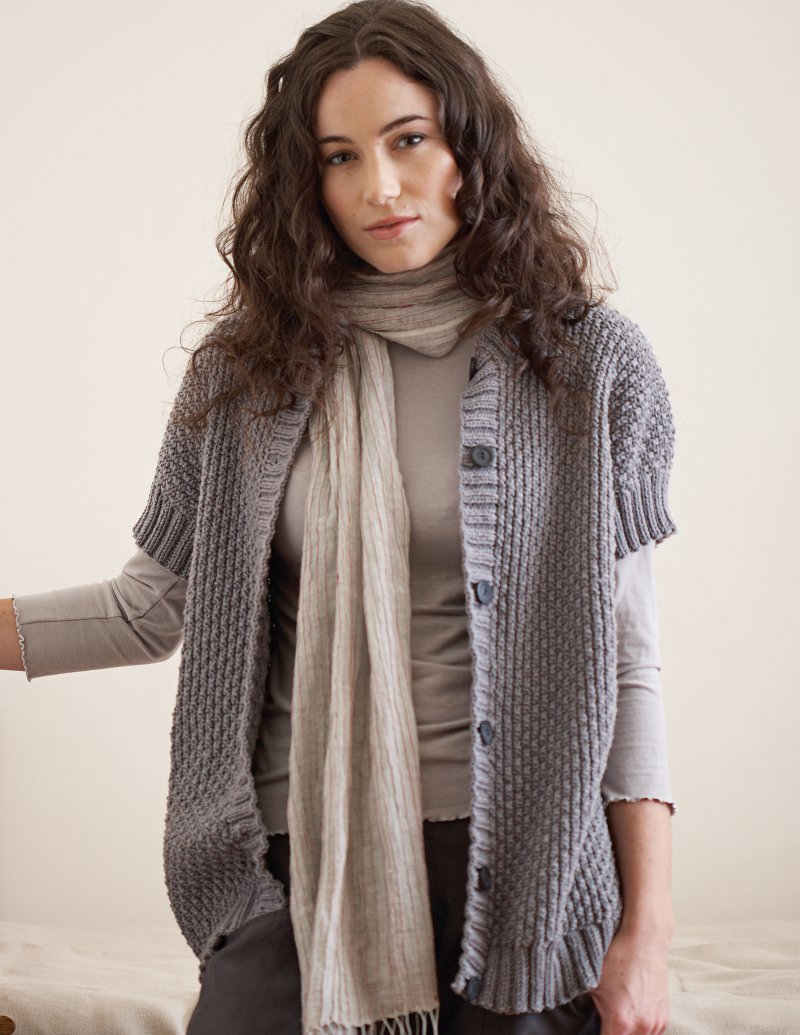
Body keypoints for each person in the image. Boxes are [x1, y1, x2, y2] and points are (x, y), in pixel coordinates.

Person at [0, 1, 680, 1032]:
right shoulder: (244, 377)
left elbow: (626, 668)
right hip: (297, 857)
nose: (379, 188)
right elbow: (150, 608)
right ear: (305, 183)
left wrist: (646, 937)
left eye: (408, 140)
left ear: (470, 147)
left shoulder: (587, 366)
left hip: (526, 873)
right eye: (339, 157)